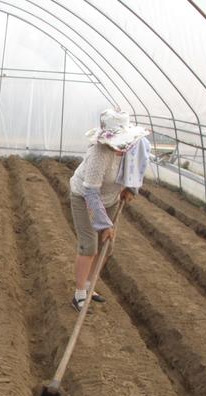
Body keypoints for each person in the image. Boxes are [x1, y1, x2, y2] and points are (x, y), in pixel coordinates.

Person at [69, 109, 151, 311]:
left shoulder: (135, 145)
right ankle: (79, 294)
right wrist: (104, 224)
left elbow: (138, 166)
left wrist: (131, 188)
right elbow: (91, 193)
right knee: (89, 244)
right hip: (84, 195)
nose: (122, 146)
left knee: (107, 245)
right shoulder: (99, 153)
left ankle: (89, 287)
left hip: (110, 197)